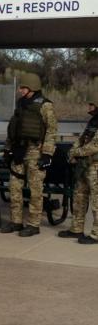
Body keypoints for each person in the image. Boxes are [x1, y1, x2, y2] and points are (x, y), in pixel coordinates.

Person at [0, 73, 57, 237]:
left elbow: (52, 130)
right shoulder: (21, 104)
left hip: (35, 152)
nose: (20, 90)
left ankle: (33, 224)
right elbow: (14, 128)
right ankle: (16, 221)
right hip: (18, 151)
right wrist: (7, 149)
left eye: (23, 87)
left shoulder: (45, 106)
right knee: (15, 188)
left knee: (35, 190)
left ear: (32, 87)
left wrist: (47, 154)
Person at [58, 97, 98, 244]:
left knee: (96, 201)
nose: (89, 106)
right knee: (79, 197)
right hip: (84, 165)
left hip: (95, 165)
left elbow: (94, 146)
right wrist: (73, 150)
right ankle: (76, 228)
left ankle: (96, 234)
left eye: (92, 104)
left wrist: (76, 152)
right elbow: (81, 139)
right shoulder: (93, 122)